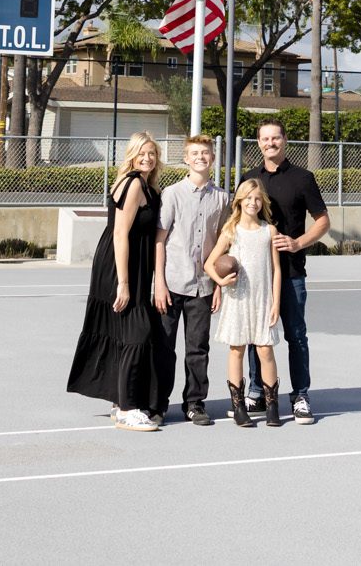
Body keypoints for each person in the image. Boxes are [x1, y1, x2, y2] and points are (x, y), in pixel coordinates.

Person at [66, 131, 173, 431]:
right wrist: (123, 283)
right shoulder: (134, 183)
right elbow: (119, 233)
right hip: (119, 266)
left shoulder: (147, 186)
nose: (148, 158)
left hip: (134, 265)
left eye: (152, 153)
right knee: (136, 333)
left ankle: (120, 402)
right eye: (142, 153)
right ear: (132, 155)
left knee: (124, 333)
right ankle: (127, 408)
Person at [244, 120, 329, 424]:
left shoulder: (303, 178)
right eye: (265, 138)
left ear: (285, 140)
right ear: (258, 143)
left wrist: (298, 243)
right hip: (255, 275)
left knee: (296, 336)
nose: (271, 143)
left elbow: (322, 221)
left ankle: (300, 395)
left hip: (291, 273)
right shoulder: (249, 179)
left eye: (276, 138)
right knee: (257, 336)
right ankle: (256, 393)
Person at [153, 134, 229, 425]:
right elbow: (159, 241)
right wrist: (158, 282)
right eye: (194, 153)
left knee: (198, 349)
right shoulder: (172, 194)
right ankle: (158, 403)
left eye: (205, 153)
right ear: (186, 158)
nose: (200, 157)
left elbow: (223, 245)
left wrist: (219, 284)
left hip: (203, 286)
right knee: (163, 347)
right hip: (171, 283)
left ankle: (194, 402)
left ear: (213, 158)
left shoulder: (222, 198)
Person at [206, 178, 283, 428]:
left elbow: (276, 269)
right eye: (248, 198)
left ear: (263, 202)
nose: (253, 202)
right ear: (239, 200)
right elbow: (209, 263)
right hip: (237, 298)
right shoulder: (231, 230)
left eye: (257, 198)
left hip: (262, 299)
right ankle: (239, 407)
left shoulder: (268, 231)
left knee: (265, 350)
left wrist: (276, 303)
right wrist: (221, 280)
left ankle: (272, 406)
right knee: (237, 350)